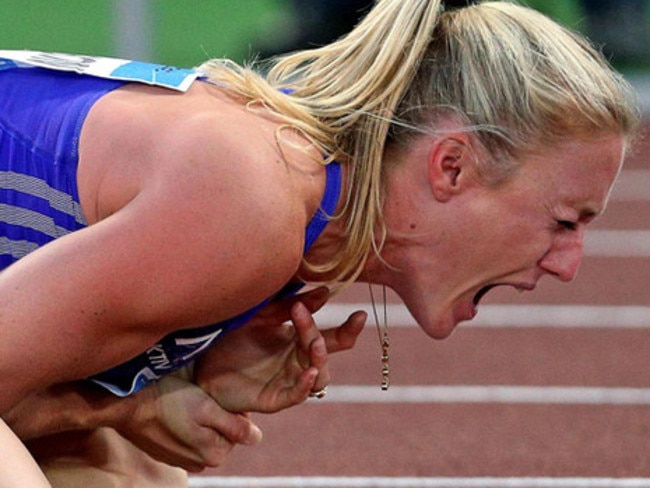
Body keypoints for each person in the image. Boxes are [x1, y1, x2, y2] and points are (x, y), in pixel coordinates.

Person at [0, 0, 640, 485]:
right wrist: (125, 409)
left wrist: (184, 369)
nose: (569, 266)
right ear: (451, 167)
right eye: (564, 221)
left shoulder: (321, 211)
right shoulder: (253, 200)